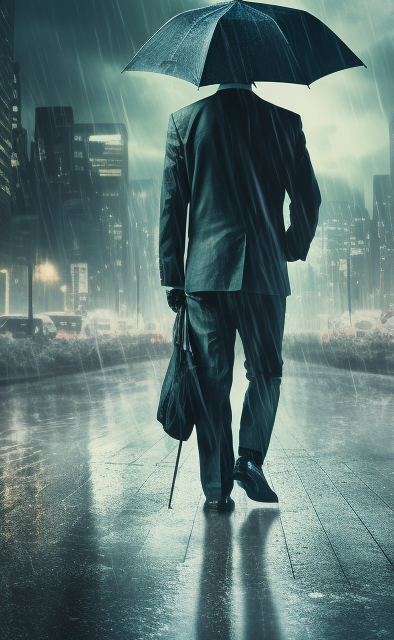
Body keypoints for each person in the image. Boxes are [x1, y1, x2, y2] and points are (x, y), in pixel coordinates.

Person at [159, 82, 321, 514]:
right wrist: (289, 246)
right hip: (265, 273)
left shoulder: (184, 122)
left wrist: (174, 279)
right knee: (266, 371)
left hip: (205, 276)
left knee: (212, 380)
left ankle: (216, 489)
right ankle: (249, 459)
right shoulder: (284, 122)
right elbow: (308, 197)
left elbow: (172, 206)